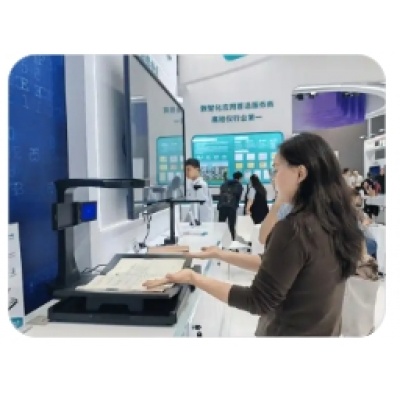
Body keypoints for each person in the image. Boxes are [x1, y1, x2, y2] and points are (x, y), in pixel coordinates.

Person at [143, 133, 364, 336]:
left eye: (276, 169)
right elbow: (278, 264)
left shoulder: (295, 228)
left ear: (300, 173)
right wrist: (219, 254)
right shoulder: (336, 221)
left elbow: (257, 300)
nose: (273, 178)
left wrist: (194, 278)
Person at [184, 158, 214, 223]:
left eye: (188, 169)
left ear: (197, 170)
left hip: (203, 221)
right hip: (196, 221)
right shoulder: (192, 184)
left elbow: (203, 207)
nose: (186, 172)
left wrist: (202, 224)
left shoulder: (201, 185)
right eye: (185, 170)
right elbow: (193, 205)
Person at [217, 171, 243, 239]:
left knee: (220, 225)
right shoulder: (239, 185)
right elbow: (238, 197)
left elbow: (220, 194)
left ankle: (219, 240)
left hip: (222, 206)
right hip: (232, 207)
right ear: (240, 178)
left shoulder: (224, 183)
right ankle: (232, 241)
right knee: (231, 226)